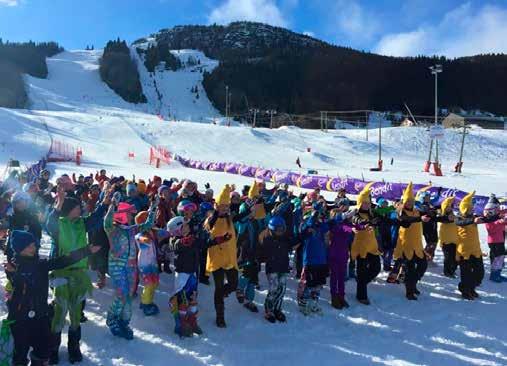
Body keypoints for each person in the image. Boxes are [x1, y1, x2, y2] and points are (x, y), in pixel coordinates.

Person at [5, 230, 100, 366]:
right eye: (29, 246)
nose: (34, 248)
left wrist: (86, 251)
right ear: (20, 249)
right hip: (20, 319)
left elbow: (63, 260)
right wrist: (13, 273)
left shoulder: (40, 264)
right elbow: (19, 289)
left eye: (33, 245)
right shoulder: (14, 267)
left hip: (40, 316)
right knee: (20, 353)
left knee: (43, 350)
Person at [45, 185, 109, 364]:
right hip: (60, 274)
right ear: (68, 210)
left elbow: (96, 218)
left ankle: (74, 348)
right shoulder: (58, 225)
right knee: (59, 311)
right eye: (76, 208)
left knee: (75, 313)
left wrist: (104, 203)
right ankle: (52, 350)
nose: (80, 209)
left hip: (79, 275)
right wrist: (59, 203)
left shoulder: (82, 223)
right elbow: (49, 223)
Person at [104, 193, 157, 339]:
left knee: (128, 296)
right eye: (128, 213)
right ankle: (112, 318)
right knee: (121, 294)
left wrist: (153, 207)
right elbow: (106, 221)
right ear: (120, 215)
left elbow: (147, 224)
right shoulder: (112, 229)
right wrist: (113, 206)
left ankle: (124, 322)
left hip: (131, 267)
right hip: (117, 266)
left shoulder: (131, 229)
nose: (130, 216)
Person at [204, 185, 239, 328]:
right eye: (221, 206)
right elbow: (208, 230)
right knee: (218, 288)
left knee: (233, 284)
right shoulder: (211, 219)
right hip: (216, 258)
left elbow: (241, 214)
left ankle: (223, 293)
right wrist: (216, 214)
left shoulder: (230, 218)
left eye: (226, 206)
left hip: (229, 258)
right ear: (216, 205)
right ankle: (220, 316)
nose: (224, 208)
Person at [257, 216, 298, 322]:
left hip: (283, 266)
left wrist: (305, 233)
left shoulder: (285, 237)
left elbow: (293, 242)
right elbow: (260, 252)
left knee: (282, 289)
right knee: (274, 288)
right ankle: (268, 310)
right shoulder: (266, 238)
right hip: (272, 267)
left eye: (282, 229)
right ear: (272, 229)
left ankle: (277, 309)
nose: (280, 232)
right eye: (278, 230)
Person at [167, 216, 203, 337]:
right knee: (182, 300)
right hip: (182, 275)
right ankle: (181, 324)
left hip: (192, 273)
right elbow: (177, 245)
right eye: (184, 226)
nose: (188, 228)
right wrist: (186, 240)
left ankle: (192, 321)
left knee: (193, 299)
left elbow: (202, 244)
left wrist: (217, 240)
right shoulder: (174, 240)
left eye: (187, 226)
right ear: (177, 229)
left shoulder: (192, 239)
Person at [393, 182, 430, 300]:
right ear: (404, 202)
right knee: (410, 269)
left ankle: (412, 284)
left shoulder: (416, 210)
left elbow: (429, 215)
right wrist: (420, 218)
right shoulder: (400, 211)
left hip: (417, 246)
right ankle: (410, 291)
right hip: (406, 246)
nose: (410, 203)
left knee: (423, 266)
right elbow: (406, 219)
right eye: (408, 201)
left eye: (412, 201)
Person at [350, 187, 381, 305]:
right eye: (364, 203)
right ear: (359, 203)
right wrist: (366, 223)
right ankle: (361, 295)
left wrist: (376, 221)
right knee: (362, 272)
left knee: (376, 268)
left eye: (368, 203)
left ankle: (361, 283)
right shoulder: (355, 214)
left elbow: (379, 220)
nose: (366, 205)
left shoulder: (371, 213)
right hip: (360, 247)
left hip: (372, 247)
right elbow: (357, 220)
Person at [297, 201, 329, 315]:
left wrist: (323, 218)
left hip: (321, 260)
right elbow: (304, 230)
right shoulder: (306, 225)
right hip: (310, 260)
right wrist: (313, 216)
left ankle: (314, 303)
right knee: (308, 284)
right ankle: (303, 303)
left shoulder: (321, 226)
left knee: (318, 284)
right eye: (317, 214)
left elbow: (327, 227)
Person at [135, 211, 170, 316]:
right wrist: (145, 239)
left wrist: (171, 231)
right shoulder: (139, 234)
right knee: (149, 284)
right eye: (149, 220)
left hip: (153, 262)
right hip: (145, 264)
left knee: (155, 283)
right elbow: (141, 239)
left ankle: (148, 300)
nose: (153, 222)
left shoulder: (152, 231)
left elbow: (165, 233)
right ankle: (146, 304)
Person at [455, 191, 486, 300]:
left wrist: (496, 216)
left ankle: (470, 288)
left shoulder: (474, 217)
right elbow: (460, 223)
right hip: (464, 252)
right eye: (469, 208)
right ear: (464, 209)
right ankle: (466, 290)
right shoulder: (458, 218)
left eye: (471, 208)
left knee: (480, 273)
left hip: (476, 250)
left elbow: (486, 219)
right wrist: (473, 220)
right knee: (466, 274)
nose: (471, 210)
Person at [328, 198, 356, 309]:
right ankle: (334, 297)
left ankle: (341, 296)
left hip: (343, 253)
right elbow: (337, 228)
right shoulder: (333, 225)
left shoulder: (345, 225)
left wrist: (359, 225)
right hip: (334, 254)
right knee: (334, 277)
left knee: (342, 277)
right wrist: (343, 218)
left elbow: (351, 232)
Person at [483, 194, 507, 282]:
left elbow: (503, 212)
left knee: (500, 258)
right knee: (496, 259)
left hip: (499, 240)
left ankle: (498, 274)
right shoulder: (489, 217)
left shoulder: (495, 215)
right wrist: (501, 221)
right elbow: (492, 226)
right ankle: (494, 276)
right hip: (494, 242)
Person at [437, 197, 459, 278]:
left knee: (455, 258)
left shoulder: (454, 216)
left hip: (455, 240)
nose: (448, 208)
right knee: (448, 258)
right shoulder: (442, 216)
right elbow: (444, 220)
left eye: (449, 206)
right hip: (446, 241)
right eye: (446, 207)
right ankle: (447, 272)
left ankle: (452, 271)